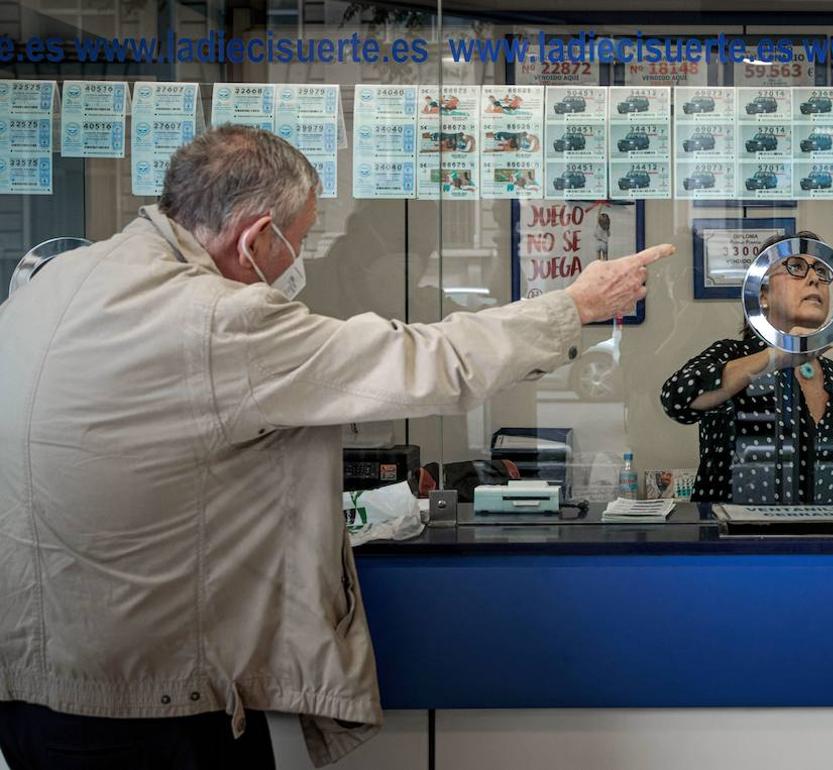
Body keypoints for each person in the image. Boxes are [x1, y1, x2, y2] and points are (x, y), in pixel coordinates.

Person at [0, 124, 673, 769]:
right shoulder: (217, 319)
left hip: (31, 691)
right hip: (152, 708)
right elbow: (425, 363)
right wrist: (574, 305)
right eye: (299, 241)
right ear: (257, 237)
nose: (296, 261)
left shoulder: (55, 284)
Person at [661, 231, 833, 504]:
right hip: (740, 542)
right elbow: (677, 400)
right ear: (762, 295)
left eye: (822, 271)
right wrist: (776, 357)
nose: (814, 278)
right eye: (796, 267)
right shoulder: (733, 355)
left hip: (832, 542)